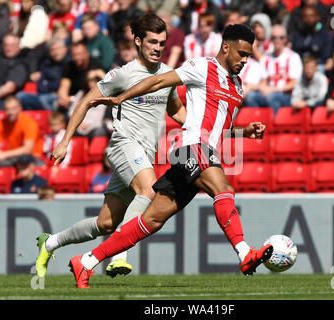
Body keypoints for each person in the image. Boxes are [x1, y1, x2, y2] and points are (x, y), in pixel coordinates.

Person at [67, 23, 273, 288]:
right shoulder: (202, 67)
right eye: (241, 54)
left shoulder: (237, 87)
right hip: (192, 149)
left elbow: (218, 129)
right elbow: (158, 80)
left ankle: (85, 262)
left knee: (150, 221)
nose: (245, 61)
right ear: (226, 47)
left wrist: (244, 133)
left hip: (203, 154)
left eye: (248, 56)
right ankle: (245, 253)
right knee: (224, 189)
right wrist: (123, 97)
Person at [34, 13, 186, 279]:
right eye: (152, 42)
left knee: (105, 223)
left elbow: (180, 114)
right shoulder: (122, 74)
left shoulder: (167, 76)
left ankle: (50, 243)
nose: (157, 48)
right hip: (123, 145)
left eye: (162, 43)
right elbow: (85, 103)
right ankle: (118, 255)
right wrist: (64, 141)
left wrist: (231, 131)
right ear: (138, 41)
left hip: (143, 155)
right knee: (149, 190)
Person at [243, 24, 302, 113]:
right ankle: (257, 123)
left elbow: (293, 84)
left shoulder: (293, 57)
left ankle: (273, 125)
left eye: (281, 37)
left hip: (287, 96)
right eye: (274, 37)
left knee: (272, 97)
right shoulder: (265, 59)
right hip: (269, 94)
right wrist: (261, 88)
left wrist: (273, 90)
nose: (277, 40)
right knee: (251, 96)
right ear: (270, 40)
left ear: (285, 39)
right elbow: (263, 82)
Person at [0, 95, 43, 169]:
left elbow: (28, 149)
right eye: (7, 109)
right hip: (12, 156)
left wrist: (4, 155)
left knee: (8, 161)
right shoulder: (0, 124)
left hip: (31, 156)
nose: (10, 112)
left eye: (13, 108)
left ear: (20, 108)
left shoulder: (29, 123)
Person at [16, 37, 70, 111]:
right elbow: (40, 85)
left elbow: (59, 85)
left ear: (65, 48)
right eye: (52, 50)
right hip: (43, 95)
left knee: (45, 100)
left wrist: (48, 85)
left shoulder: (70, 64)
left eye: (58, 48)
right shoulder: (46, 63)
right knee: (20, 96)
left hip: (58, 97)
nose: (56, 52)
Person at [56, 41, 104, 112]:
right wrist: (64, 99)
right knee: (56, 103)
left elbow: (107, 85)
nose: (76, 58)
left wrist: (98, 72)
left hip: (91, 101)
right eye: (74, 55)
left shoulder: (95, 65)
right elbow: (63, 89)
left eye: (79, 54)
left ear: (86, 54)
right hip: (72, 101)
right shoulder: (69, 66)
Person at [290, 5, 332, 72]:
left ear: (318, 17)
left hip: (318, 69)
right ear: (301, 19)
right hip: (299, 68)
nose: (308, 19)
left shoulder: (324, 35)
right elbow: (294, 54)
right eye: (305, 16)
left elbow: (327, 58)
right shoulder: (298, 34)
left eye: (311, 16)